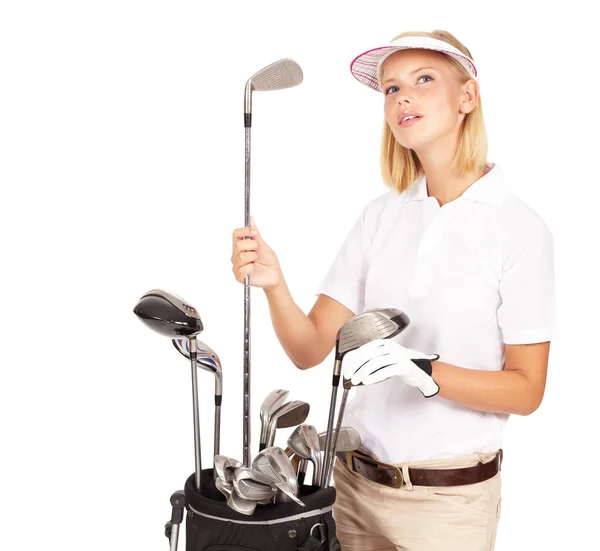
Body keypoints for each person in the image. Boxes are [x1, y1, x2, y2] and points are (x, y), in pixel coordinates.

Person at [230, 29, 555, 551]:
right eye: (390, 88)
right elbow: (310, 347)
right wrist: (274, 283)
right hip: (351, 490)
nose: (403, 97)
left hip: (448, 507)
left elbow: (526, 390)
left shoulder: (519, 229)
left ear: (466, 97)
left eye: (424, 80)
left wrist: (423, 372)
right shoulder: (381, 216)